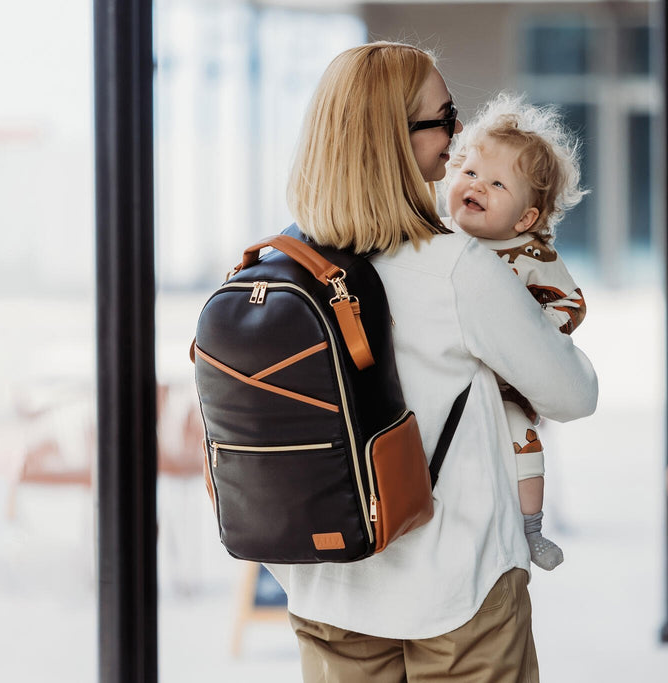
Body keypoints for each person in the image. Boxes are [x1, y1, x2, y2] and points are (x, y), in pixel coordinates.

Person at [271, 41, 598, 683]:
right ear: (395, 136)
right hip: (457, 594)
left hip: (327, 593)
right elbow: (572, 393)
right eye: (444, 118)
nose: (457, 135)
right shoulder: (460, 268)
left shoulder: (287, 263)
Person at [444, 94, 587, 571]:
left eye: (497, 183)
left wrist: (530, 330)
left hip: (505, 385)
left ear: (525, 218)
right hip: (449, 378)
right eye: (469, 173)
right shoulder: (440, 237)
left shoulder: (531, 255)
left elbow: (571, 303)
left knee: (521, 439)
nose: (477, 186)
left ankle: (532, 529)